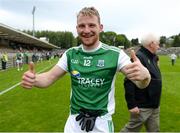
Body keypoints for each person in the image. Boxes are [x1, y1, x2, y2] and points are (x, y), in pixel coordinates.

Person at [21, 7, 151, 133]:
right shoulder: (71, 54)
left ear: (100, 28)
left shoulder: (115, 54)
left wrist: (145, 76)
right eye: (82, 26)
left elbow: (140, 83)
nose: (86, 30)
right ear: (77, 28)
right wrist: (34, 79)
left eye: (91, 25)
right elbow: (49, 77)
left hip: (101, 123)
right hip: (74, 121)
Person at [120, 33, 162, 132]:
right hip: (142, 106)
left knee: (155, 131)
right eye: (158, 44)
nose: (159, 46)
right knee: (130, 130)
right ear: (151, 44)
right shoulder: (139, 57)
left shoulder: (153, 57)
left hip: (154, 105)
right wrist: (132, 104)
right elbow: (129, 81)